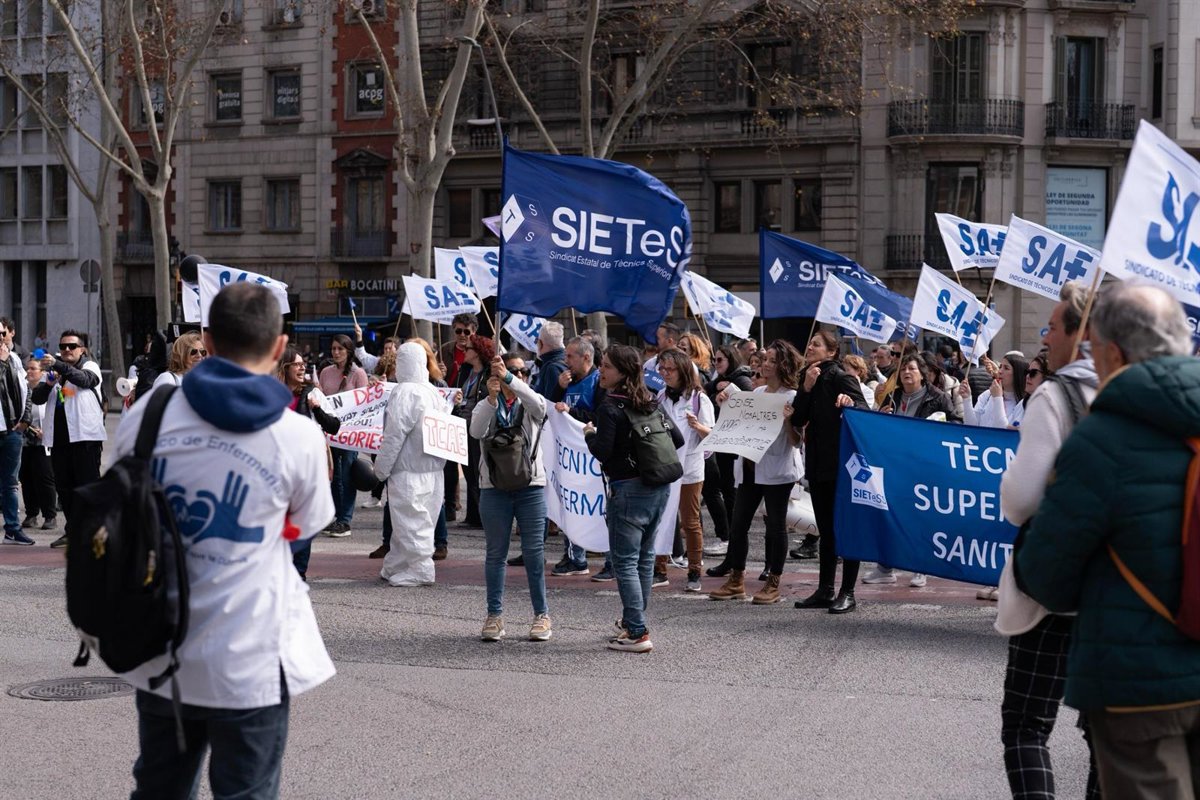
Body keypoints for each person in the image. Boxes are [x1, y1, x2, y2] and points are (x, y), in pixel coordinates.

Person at [119, 282, 336, 800]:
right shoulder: (297, 436)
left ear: (209, 341)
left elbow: (120, 510)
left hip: (162, 647)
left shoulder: (146, 417)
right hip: (253, 654)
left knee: (160, 790)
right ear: (279, 347)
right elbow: (306, 525)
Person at [1014, 284, 1196, 798]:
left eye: (1094, 347)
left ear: (1113, 352)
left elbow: (1047, 575)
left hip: (1138, 678)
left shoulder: (1105, 436)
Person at [997, 281, 1101, 800]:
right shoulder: (1132, 393)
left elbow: (1020, 500)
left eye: (1053, 327)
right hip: (1120, 584)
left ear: (1080, 335)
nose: (1044, 338)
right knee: (1105, 735)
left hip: (1054, 589)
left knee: (1026, 726)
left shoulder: (1055, 396)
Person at [585, 344, 682, 653]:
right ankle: (632, 622)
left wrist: (589, 434)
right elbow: (678, 439)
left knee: (625, 561)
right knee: (644, 558)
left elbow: (602, 451)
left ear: (623, 372)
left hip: (627, 489)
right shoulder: (651, 400)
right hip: (658, 487)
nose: (601, 371)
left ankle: (638, 632)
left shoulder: (610, 406)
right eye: (601, 364)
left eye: (607, 366)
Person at [708, 339, 803, 605]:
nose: (766, 364)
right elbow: (741, 424)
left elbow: (797, 441)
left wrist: (788, 421)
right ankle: (736, 579)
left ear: (784, 365)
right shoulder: (757, 393)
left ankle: (773, 582)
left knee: (775, 526)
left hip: (777, 470)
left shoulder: (792, 397)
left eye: (773, 360)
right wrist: (725, 402)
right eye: (765, 359)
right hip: (750, 467)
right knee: (738, 524)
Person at [472, 352, 552, 642]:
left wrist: (508, 378)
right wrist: (491, 400)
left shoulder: (530, 402)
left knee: (534, 553)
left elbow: (540, 407)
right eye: (510, 371)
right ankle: (494, 616)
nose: (517, 376)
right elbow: (476, 430)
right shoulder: (487, 403)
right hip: (494, 489)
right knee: (496, 553)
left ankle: (541, 615)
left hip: (530, 488)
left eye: (521, 372)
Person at [789, 331, 869, 612]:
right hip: (817, 464)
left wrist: (850, 403)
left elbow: (864, 410)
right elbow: (798, 418)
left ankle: (848, 592)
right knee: (826, 530)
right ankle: (825, 589)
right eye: (810, 343)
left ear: (832, 352)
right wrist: (806, 388)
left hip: (842, 466)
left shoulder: (841, 377)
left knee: (846, 528)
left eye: (816, 344)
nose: (810, 347)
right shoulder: (809, 377)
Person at [376, 342, 448, 587]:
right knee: (412, 521)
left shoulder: (405, 392)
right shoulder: (432, 392)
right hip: (432, 470)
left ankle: (421, 569)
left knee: (411, 521)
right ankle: (396, 563)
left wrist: (381, 468)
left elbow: (394, 434)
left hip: (408, 468)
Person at [33, 329, 105, 549]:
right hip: (59, 441)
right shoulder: (55, 372)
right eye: (62, 346)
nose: (66, 350)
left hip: (85, 439)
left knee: (87, 487)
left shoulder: (90, 366)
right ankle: (73, 531)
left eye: (72, 346)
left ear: (82, 349)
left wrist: (58, 365)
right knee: (65, 489)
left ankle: (94, 533)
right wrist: (48, 384)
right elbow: (37, 398)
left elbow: (85, 381)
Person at [278, 346, 341, 582]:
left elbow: (334, 426)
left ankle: (299, 573)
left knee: (302, 519)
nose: (301, 367)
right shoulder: (272, 394)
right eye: (296, 364)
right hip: (279, 466)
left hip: (306, 466)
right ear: (284, 368)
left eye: (302, 364)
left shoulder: (312, 393)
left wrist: (318, 408)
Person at [655, 348, 715, 593]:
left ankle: (694, 571)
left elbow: (713, 436)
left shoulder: (699, 399)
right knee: (661, 518)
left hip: (690, 468)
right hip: (665, 467)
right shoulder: (661, 396)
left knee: (690, 522)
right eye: (662, 368)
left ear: (682, 371)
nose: (665, 373)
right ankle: (659, 569)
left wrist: (697, 426)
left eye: (670, 369)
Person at [549, 335, 603, 576]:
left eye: (570, 356)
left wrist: (572, 411)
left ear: (586, 357)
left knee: (598, 508)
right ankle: (574, 557)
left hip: (592, 456)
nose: (566, 361)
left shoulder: (598, 382)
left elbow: (599, 416)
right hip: (571, 458)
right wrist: (558, 389)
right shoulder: (568, 381)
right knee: (572, 505)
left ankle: (610, 561)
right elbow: (551, 408)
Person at [703, 345, 754, 559]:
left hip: (734, 443)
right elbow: (706, 388)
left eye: (720, 360)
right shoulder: (720, 379)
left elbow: (750, 403)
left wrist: (731, 390)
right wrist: (717, 387)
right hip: (723, 440)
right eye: (714, 360)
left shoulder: (741, 379)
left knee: (731, 491)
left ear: (731, 360)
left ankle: (732, 540)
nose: (716, 364)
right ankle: (728, 538)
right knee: (722, 488)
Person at [318, 333, 367, 536]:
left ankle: (345, 520)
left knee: (347, 475)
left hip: (349, 434)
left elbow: (365, 404)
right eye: (333, 348)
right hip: (330, 431)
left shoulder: (358, 373)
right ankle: (336, 516)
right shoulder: (326, 372)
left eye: (340, 349)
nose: (336, 352)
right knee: (333, 476)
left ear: (348, 351)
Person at [439, 313, 477, 523]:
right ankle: (450, 507)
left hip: (469, 412)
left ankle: (474, 512)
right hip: (449, 410)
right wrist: (440, 374)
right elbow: (435, 379)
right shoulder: (445, 350)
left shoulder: (477, 351)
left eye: (466, 332)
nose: (462, 335)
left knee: (471, 463)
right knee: (449, 463)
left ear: (473, 332)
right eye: (458, 331)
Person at [453, 334, 493, 529]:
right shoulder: (466, 371)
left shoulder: (488, 374)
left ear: (477, 353)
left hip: (477, 427)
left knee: (478, 472)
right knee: (469, 471)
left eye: (468, 348)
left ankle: (481, 516)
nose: (464, 350)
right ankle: (472, 515)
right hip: (463, 425)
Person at [0, 337, 31, 546]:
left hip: (12, 430)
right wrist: (1, 363)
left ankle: (12, 529)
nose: (1, 338)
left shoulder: (14, 358)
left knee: (11, 484)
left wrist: (25, 420)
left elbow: (26, 389)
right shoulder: (5, 360)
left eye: (2, 333)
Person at [19, 356, 55, 533]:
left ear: (42, 373)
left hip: (43, 442)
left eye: (33, 368)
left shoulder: (49, 390)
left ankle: (50, 516)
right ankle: (31, 514)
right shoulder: (22, 389)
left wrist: (47, 431)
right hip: (25, 441)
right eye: (28, 368)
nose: (29, 371)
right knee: (26, 478)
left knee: (44, 478)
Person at [959, 353, 1028, 429]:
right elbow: (971, 426)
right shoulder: (987, 395)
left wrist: (998, 398)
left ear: (1018, 374)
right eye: (1000, 367)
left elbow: (1003, 432)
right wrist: (967, 399)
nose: (1000, 371)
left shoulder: (1024, 404)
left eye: (1006, 368)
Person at [531, 321, 568, 400]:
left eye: (537, 341)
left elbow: (548, 402)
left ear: (540, 343)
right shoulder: (565, 360)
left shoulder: (552, 368)